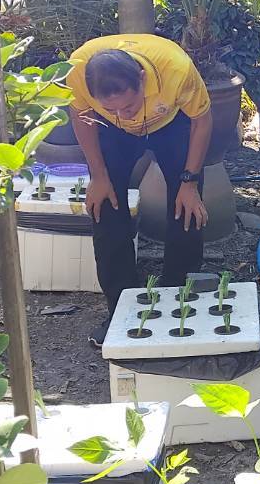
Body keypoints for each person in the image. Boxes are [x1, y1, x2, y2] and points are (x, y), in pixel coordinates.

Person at [66, 34, 213, 346]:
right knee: (105, 206)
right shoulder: (77, 70)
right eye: (111, 107)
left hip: (171, 124)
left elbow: (202, 120)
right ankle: (121, 307)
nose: (124, 114)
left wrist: (189, 182)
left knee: (186, 206)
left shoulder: (176, 70)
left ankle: (178, 295)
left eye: (129, 105)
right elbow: (81, 117)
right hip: (112, 136)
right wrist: (99, 174)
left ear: (143, 80)